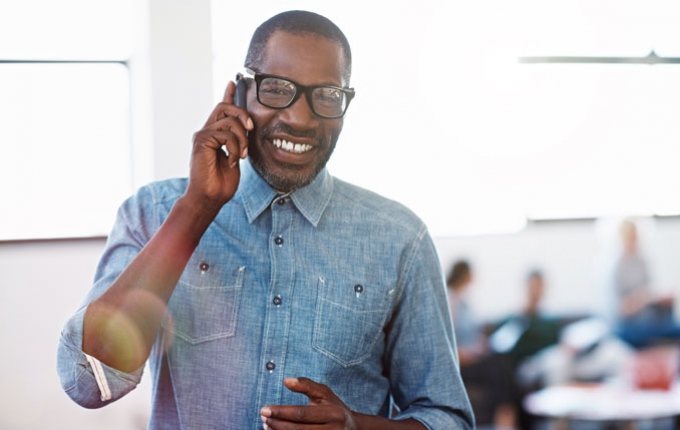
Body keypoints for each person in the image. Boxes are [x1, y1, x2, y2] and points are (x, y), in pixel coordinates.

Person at [56, 10, 474, 430]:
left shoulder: (400, 238)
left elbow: (448, 417)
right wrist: (197, 208)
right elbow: (89, 383)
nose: (300, 119)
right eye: (277, 89)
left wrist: (358, 427)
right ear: (239, 94)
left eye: (326, 95)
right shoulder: (154, 212)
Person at [446, 260, 516, 429]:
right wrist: (471, 352)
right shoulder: (450, 301)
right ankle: (504, 419)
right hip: (461, 361)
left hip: (473, 354)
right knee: (498, 366)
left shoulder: (464, 301)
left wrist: (481, 343)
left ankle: (504, 417)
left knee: (502, 360)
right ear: (464, 274)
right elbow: (450, 343)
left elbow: (470, 334)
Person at [610, 218, 680, 349]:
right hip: (629, 325)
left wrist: (661, 298)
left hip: (649, 317)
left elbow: (650, 291)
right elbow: (622, 309)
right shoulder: (616, 266)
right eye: (631, 237)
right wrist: (643, 298)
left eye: (636, 236)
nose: (634, 240)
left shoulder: (642, 261)